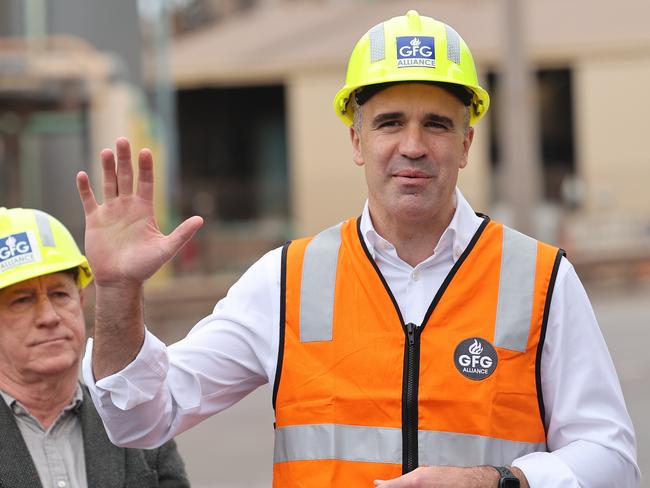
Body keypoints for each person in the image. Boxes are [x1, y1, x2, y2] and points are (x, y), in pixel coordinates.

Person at [76, 10, 639, 488]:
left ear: (466, 144)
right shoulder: (286, 280)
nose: (412, 146)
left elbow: (611, 458)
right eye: (390, 122)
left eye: (437, 125)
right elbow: (140, 421)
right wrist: (118, 290)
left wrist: (501, 482)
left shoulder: (541, 279)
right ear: (356, 139)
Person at [0, 207, 190, 487]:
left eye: (59, 294)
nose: (49, 317)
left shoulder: (138, 423)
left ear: (79, 299)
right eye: (22, 300)